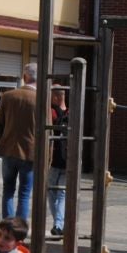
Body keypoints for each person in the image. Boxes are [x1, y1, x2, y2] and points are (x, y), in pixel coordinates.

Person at [0, 63, 39, 220]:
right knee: (25, 193)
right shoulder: (41, 99)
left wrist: (2, 141)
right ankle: (20, 229)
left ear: (24, 77)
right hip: (30, 152)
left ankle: (7, 225)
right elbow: (47, 130)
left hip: (8, 150)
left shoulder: (8, 96)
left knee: (8, 190)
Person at [45, 84, 69, 240]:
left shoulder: (51, 112)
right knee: (55, 192)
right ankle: (58, 224)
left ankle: (58, 225)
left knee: (58, 193)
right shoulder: (73, 112)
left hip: (56, 160)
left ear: (55, 97)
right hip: (67, 160)